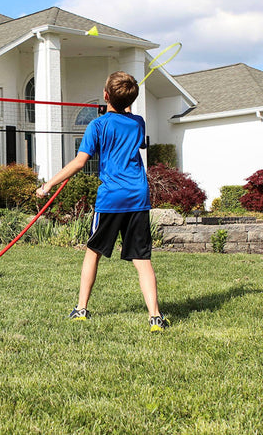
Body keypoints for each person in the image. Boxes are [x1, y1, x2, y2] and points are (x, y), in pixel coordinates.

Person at [36, 71, 167, 331]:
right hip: (138, 198)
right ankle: (155, 316)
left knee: (92, 253)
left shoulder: (97, 125)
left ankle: (81, 309)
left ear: (105, 95)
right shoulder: (139, 122)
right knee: (142, 259)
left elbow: (79, 162)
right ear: (132, 99)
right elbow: (137, 141)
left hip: (111, 199)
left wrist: (48, 184)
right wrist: (126, 106)